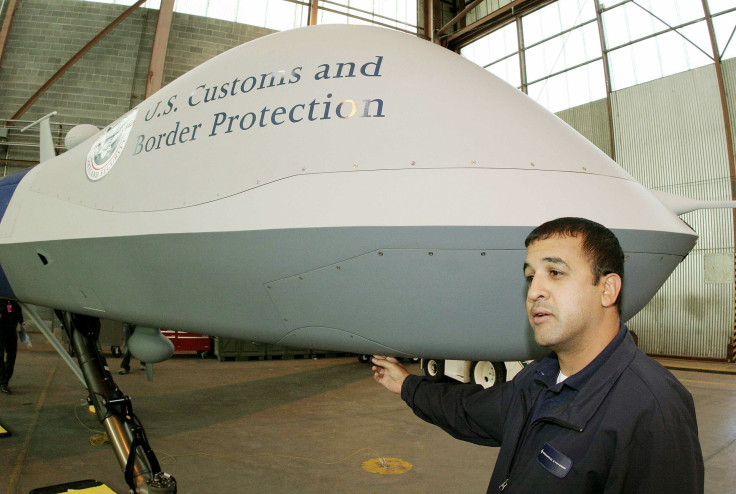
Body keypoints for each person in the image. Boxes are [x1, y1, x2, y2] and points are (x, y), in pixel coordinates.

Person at [372, 217, 704, 493]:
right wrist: (406, 385)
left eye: (555, 273)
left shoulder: (653, 409)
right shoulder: (539, 379)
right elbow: (469, 411)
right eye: (530, 276)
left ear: (607, 289)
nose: (533, 292)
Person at [0, 299, 24, 394]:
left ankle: (5, 379)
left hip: (11, 330)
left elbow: (19, 316)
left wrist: (22, 324)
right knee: (0, 355)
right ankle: (3, 382)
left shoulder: (14, 304)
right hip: (0, 330)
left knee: (12, 355)